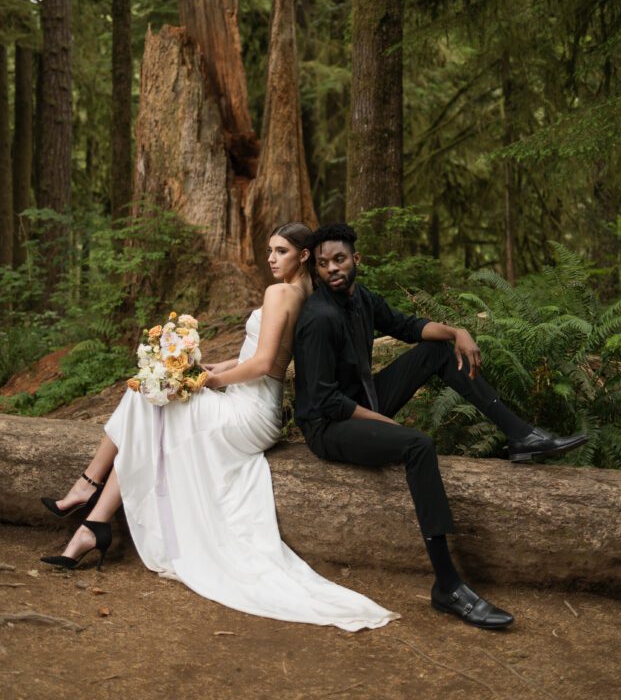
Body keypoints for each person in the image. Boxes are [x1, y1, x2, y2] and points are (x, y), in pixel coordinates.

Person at [40, 223, 398, 632]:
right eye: (269, 250)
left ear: (302, 255)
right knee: (151, 407)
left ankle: (87, 486)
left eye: (280, 251)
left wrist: (207, 382)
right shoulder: (311, 297)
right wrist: (215, 367)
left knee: (144, 397)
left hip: (247, 411)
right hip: (260, 410)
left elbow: (264, 364)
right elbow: (275, 356)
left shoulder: (279, 292)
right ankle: (93, 525)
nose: (270, 258)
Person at [293, 222, 588, 631]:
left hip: (362, 401)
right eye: (323, 264)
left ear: (356, 260)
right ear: (317, 270)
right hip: (329, 425)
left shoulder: (361, 299)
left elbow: (408, 326)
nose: (332, 269)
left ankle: (521, 436)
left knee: (435, 350)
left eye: (339, 259)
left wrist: (457, 331)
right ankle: (447, 586)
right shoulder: (319, 317)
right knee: (417, 445)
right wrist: (380, 419)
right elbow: (324, 401)